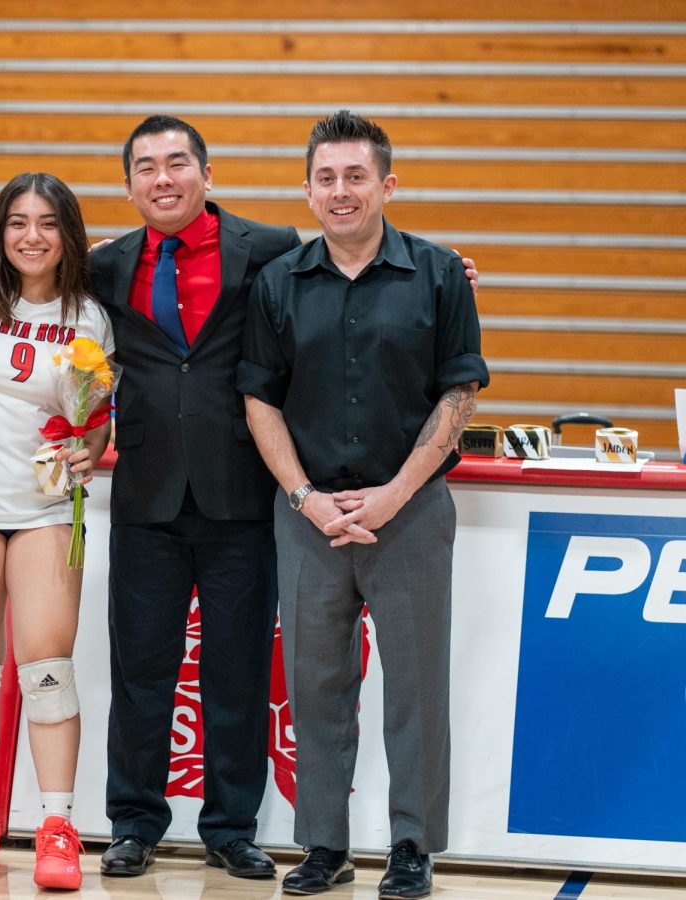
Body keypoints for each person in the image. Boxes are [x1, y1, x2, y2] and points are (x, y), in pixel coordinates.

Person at [239, 110, 489, 899]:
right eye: (325, 177)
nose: (340, 191)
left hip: (408, 513)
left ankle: (413, 844)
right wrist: (307, 498)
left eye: (355, 176)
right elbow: (259, 400)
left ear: (387, 183)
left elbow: (461, 393)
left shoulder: (442, 275)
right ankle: (324, 844)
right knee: (315, 686)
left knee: (416, 685)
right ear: (307, 189)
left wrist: (391, 496)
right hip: (309, 518)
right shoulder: (278, 283)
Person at [87, 115, 301, 881]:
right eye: (146, 168)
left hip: (242, 495)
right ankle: (134, 823)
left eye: (177, 163)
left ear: (207, 175)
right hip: (145, 496)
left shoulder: (271, 249)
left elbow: (350, 274)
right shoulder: (105, 266)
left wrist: (446, 275)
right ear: (130, 186)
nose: (163, 179)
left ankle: (231, 827)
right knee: (141, 669)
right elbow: (21, 288)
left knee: (237, 672)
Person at [0, 173, 113, 890]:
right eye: (16, 222)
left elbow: (98, 419)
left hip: (44, 510)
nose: (30, 236)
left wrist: (91, 446)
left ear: (67, 233)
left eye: (46, 223)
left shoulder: (89, 316)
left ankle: (57, 827)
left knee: (46, 666)